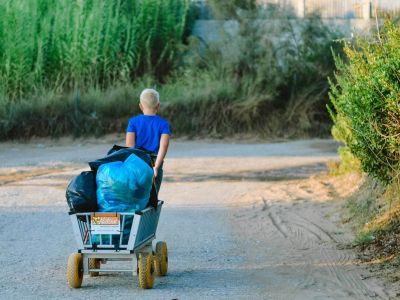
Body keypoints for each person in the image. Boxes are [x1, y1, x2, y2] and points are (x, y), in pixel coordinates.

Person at [126, 88, 170, 192]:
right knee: (152, 195)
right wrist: (156, 167)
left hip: (138, 161)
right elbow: (163, 147)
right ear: (158, 106)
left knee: (137, 194)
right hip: (155, 161)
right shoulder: (164, 124)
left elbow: (129, 146)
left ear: (140, 106)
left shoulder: (133, 122)